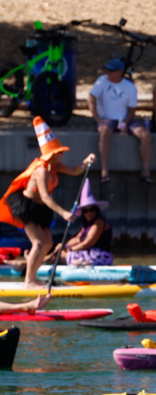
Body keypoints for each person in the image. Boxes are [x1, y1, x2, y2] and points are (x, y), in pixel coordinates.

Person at [0, 117, 96, 286]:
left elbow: (75, 171)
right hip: (27, 207)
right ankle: (29, 281)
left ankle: (33, 274)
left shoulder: (54, 167)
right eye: (59, 152)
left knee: (48, 243)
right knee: (38, 242)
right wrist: (64, 213)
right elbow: (45, 196)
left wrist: (86, 162)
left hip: (40, 207)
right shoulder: (41, 171)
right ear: (52, 154)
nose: (62, 154)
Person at [88, 58, 152, 183]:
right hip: (106, 120)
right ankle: (104, 171)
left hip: (124, 119)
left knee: (145, 135)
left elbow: (132, 110)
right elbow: (91, 97)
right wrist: (97, 118)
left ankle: (145, 171)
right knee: (104, 132)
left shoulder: (130, 87)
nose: (108, 72)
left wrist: (125, 123)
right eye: (107, 69)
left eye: (111, 70)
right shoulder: (102, 80)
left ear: (120, 72)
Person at [53, 180, 114, 266]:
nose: (89, 213)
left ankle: (41, 262)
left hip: (101, 256)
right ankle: (41, 261)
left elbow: (88, 243)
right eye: (85, 211)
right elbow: (77, 239)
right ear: (83, 213)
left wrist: (70, 250)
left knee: (62, 256)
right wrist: (64, 246)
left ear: (96, 210)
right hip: (88, 253)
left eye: (91, 210)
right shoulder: (85, 226)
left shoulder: (99, 222)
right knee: (58, 253)